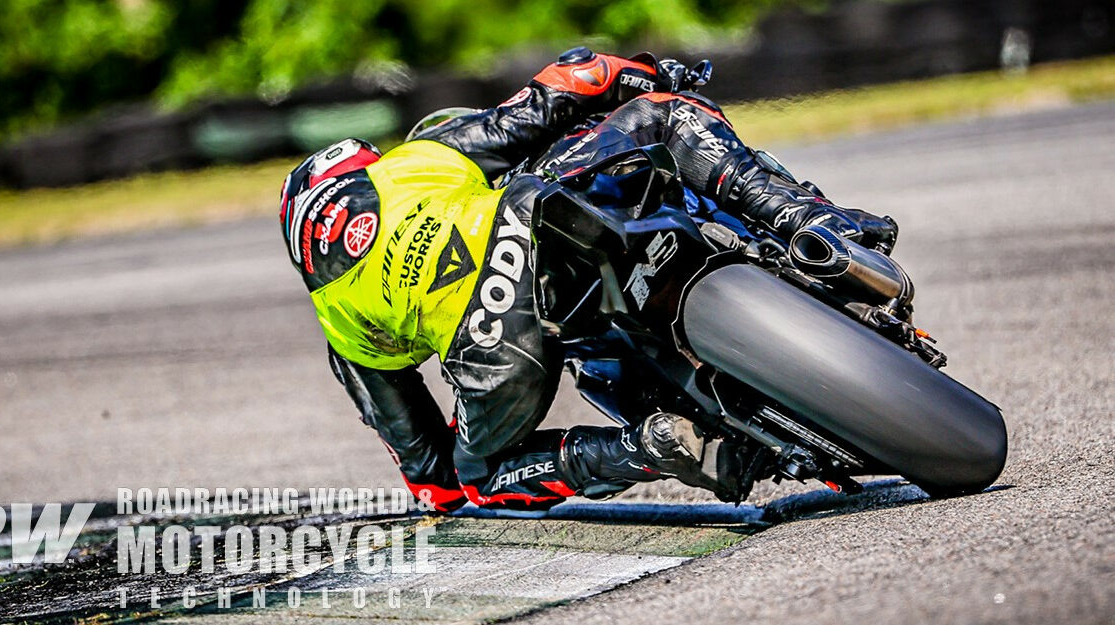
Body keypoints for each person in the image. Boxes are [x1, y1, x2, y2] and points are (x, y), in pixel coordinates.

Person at [279, 47, 898, 512]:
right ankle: (810, 223)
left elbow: (433, 481)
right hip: (530, 215)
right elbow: (574, 78)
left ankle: (646, 448)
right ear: (357, 168)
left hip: (497, 348)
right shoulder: (416, 162)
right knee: (661, 118)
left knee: (480, 478)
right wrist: (652, 74)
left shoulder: (339, 322)